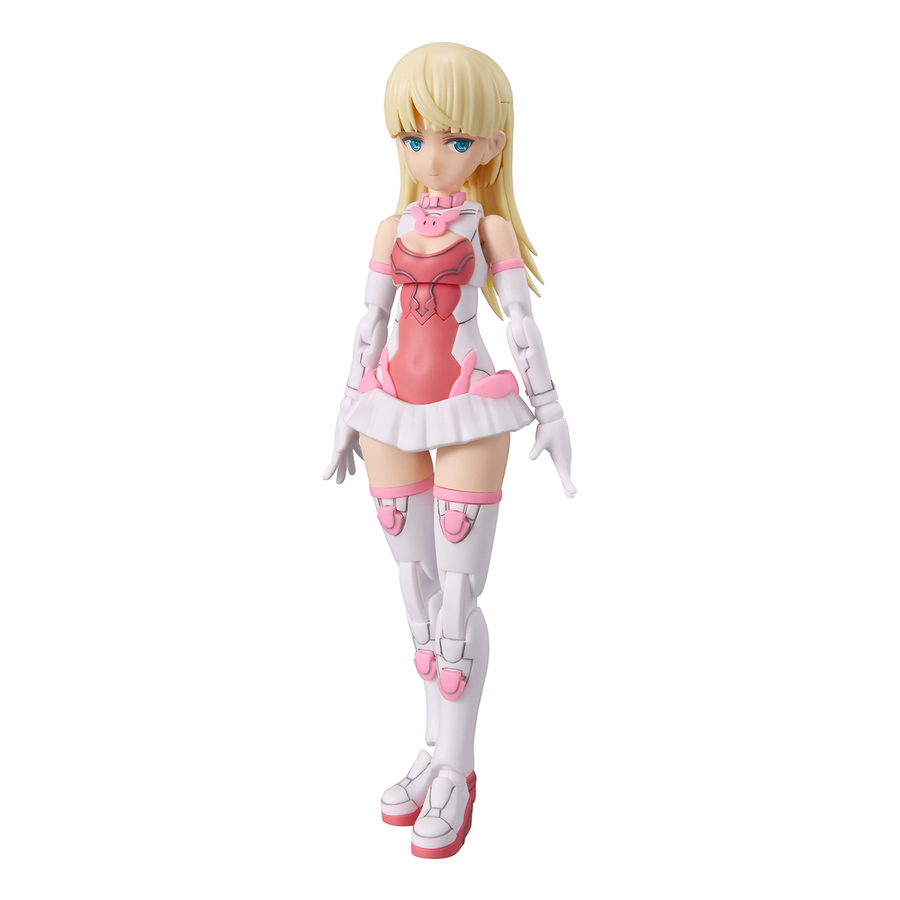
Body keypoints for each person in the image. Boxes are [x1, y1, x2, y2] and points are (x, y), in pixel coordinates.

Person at [323, 42, 575, 858]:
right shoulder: (390, 227)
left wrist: (551, 411)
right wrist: (343, 415)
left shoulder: (488, 227)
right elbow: (368, 327)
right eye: (414, 137)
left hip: (469, 407)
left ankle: (458, 769)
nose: (432, 157)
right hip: (388, 409)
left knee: (458, 606)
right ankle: (434, 749)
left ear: (491, 144)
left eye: (455, 138)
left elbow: (521, 325)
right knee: (417, 593)